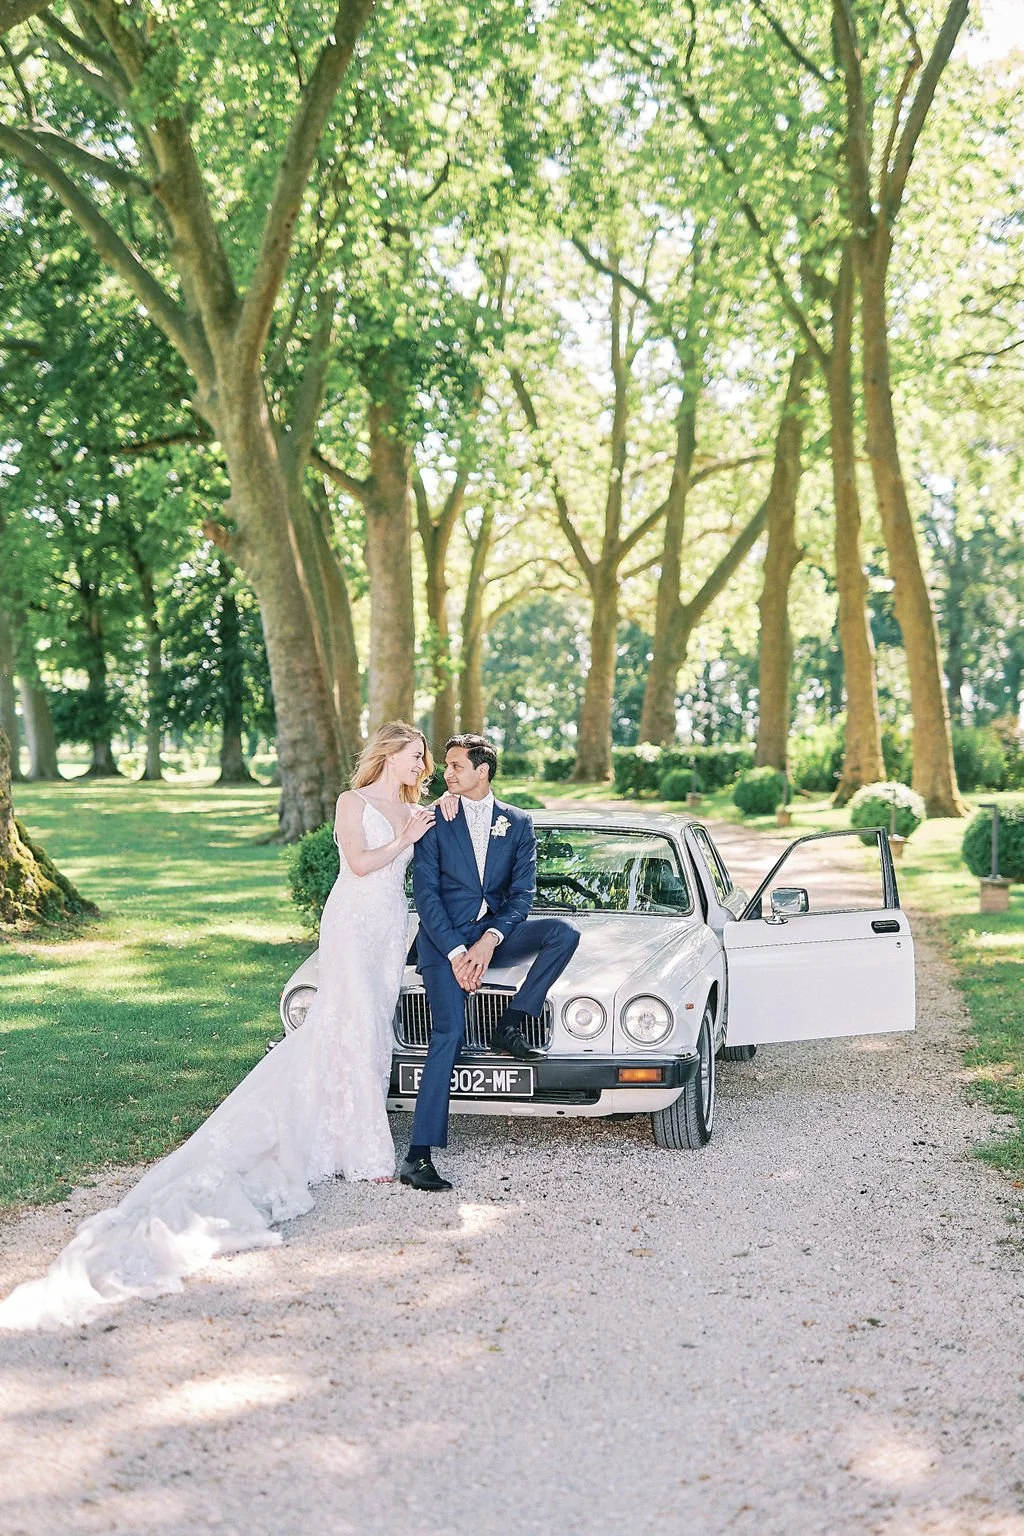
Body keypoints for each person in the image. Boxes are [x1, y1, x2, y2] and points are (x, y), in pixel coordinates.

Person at [0, 722, 436, 1332]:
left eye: (425, 759)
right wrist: (405, 838)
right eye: (416, 755)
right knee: (348, 1024)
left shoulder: (413, 806)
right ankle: (364, 1152)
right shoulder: (352, 803)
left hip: (389, 929)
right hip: (353, 920)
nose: (423, 765)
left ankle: (347, 1140)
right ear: (389, 753)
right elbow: (361, 864)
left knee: (370, 1035)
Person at [401, 733, 580, 1192]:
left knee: (564, 932)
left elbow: (522, 895)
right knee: (449, 1033)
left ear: (483, 770)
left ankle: (514, 1019)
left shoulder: (517, 823)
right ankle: (417, 1156)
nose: (447, 773)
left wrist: (489, 941)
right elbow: (426, 897)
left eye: (457, 766)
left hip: (494, 935)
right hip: (443, 942)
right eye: (447, 765)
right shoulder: (435, 820)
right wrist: (460, 953)